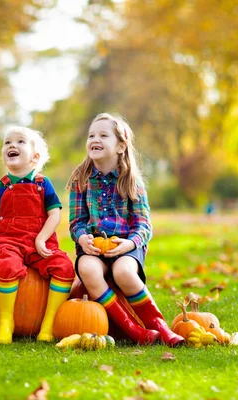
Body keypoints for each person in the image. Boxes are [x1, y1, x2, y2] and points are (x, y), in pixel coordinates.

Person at [67, 113, 184, 347]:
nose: (94, 139)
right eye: (91, 135)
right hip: (93, 247)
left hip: (126, 246)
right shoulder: (81, 179)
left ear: (121, 145)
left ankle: (160, 327)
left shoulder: (131, 180)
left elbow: (143, 224)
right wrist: (82, 239)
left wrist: (130, 244)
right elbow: (76, 221)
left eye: (103, 135)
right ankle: (133, 330)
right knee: (88, 271)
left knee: (123, 273)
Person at [0, 126, 75, 344]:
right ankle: (6, 321)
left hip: (38, 243)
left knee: (64, 267)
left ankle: (49, 323)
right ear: (4, 156)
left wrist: (41, 238)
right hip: (8, 242)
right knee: (6, 266)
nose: (12, 145)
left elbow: (55, 214)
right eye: (7, 143)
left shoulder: (43, 184)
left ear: (35, 156)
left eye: (20, 141)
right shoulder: (0, 187)